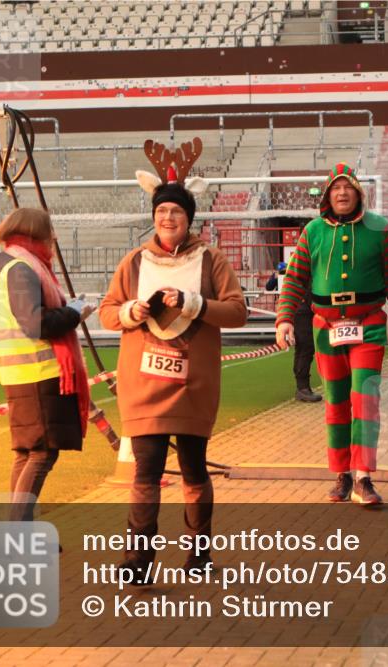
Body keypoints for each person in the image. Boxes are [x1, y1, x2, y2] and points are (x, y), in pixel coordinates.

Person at [100, 142, 248, 580]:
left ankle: (199, 555)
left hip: (193, 386)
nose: (168, 219)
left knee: (193, 471)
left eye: (177, 213)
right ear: (153, 217)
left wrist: (194, 303)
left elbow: (237, 311)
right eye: (162, 212)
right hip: (143, 385)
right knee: (144, 473)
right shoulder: (134, 261)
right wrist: (130, 312)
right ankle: (138, 561)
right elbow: (109, 311)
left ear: (189, 218)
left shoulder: (211, 259)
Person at [275, 162, 388, 505]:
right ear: (327, 195)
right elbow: (295, 279)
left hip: (368, 324)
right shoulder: (312, 232)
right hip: (325, 328)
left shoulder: (380, 229)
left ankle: (363, 477)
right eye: (335, 188)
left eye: (348, 187)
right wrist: (284, 318)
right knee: (336, 402)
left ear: (358, 193)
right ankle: (342, 474)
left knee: (364, 400)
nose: (342, 193)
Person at [0, 208, 93, 522]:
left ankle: (21, 526)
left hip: (20, 372)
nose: (53, 241)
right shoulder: (24, 267)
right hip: (39, 371)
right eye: (49, 233)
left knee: (27, 452)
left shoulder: (14, 265)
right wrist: (75, 312)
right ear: (36, 234)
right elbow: (36, 323)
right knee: (42, 453)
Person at [268, 259, 321, 402]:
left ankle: (307, 387)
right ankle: (302, 388)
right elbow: (279, 287)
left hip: (314, 306)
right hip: (303, 307)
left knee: (313, 347)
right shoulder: (300, 265)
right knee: (305, 347)